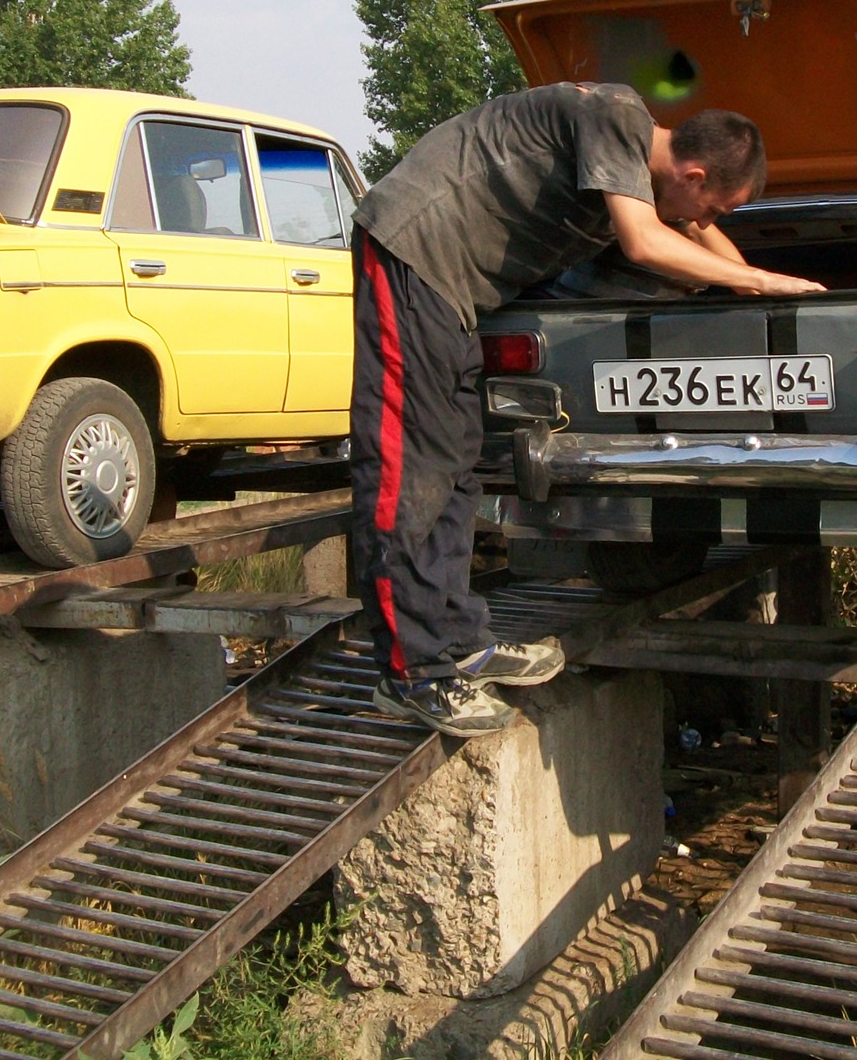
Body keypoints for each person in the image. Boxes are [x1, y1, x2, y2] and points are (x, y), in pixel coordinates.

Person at [349, 80, 825, 736]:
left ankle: (460, 641)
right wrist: (761, 280)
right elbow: (647, 243)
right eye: (717, 206)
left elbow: (690, 230)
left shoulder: (633, 166)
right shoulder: (615, 114)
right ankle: (412, 674)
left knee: (456, 462)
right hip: (413, 254)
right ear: (691, 173)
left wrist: (777, 300)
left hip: (454, 292)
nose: (708, 224)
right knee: (411, 468)